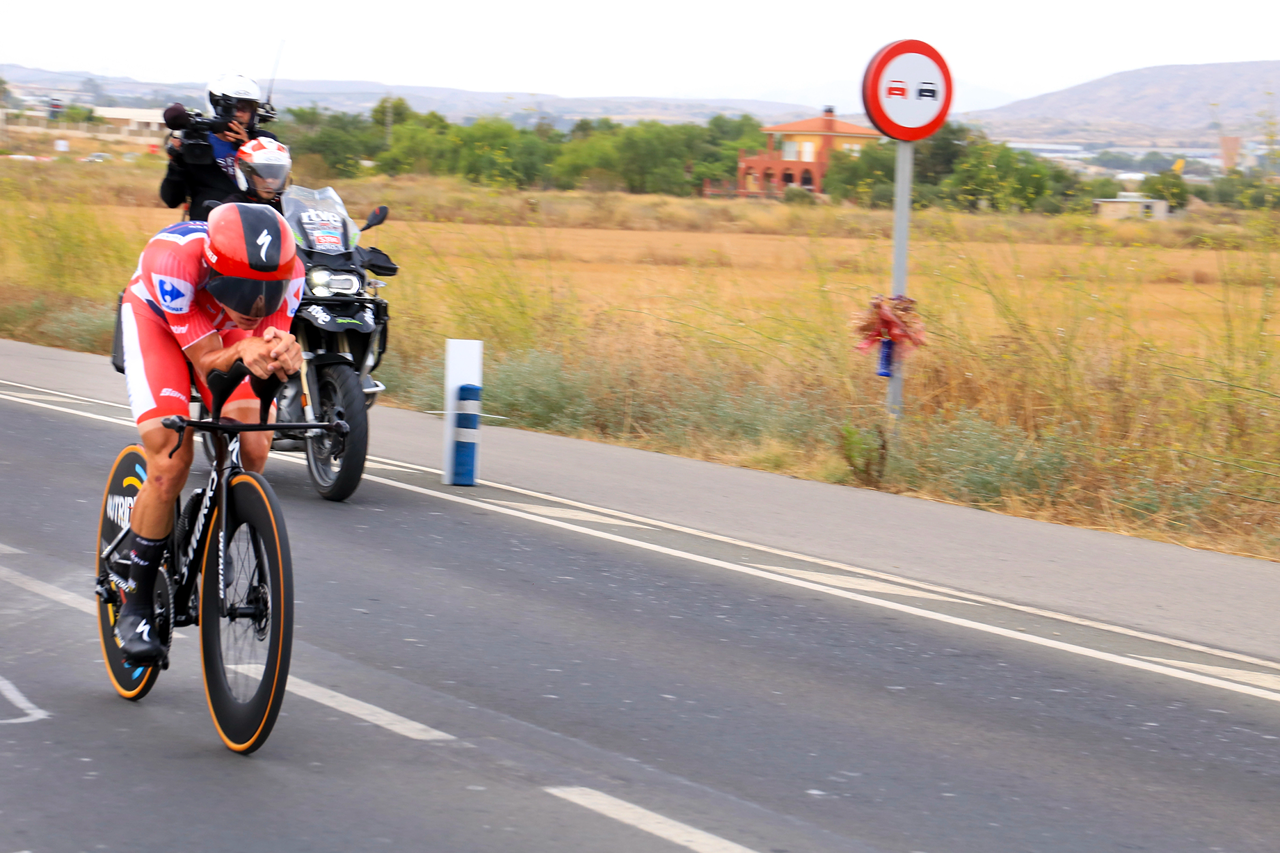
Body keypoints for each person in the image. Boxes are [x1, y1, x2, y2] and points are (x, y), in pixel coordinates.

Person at [113, 203, 304, 664]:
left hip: (222, 330)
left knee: (254, 441)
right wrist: (250, 349)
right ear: (216, 273)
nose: (257, 307)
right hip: (159, 321)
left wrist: (284, 357)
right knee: (169, 461)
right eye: (243, 291)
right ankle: (134, 600)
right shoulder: (173, 263)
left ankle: (214, 522)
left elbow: (265, 354)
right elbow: (205, 361)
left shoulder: (293, 272)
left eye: (268, 294)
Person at [159, 74, 279, 221]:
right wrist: (176, 162)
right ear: (216, 105)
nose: (238, 114)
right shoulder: (195, 141)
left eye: (245, 108)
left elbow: (277, 191)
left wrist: (249, 149)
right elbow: (171, 200)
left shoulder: (266, 143)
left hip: (256, 228)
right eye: (232, 107)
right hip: (209, 230)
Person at [226, 137, 292, 213]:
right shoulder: (231, 207)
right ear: (247, 174)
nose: (270, 180)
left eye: (276, 174)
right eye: (263, 173)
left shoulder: (291, 206)